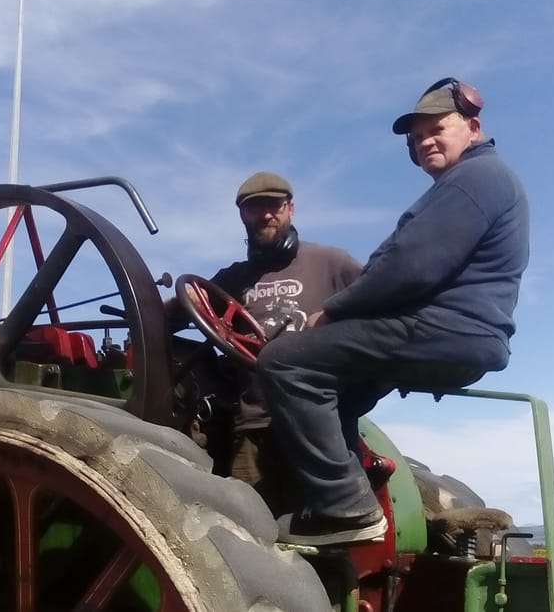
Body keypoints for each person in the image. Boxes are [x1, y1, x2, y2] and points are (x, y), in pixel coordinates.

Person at [256, 77, 530, 546]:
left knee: (284, 361)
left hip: (447, 327)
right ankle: (344, 495)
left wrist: (336, 310)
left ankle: (343, 506)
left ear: (473, 127)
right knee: (338, 388)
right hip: (457, 331)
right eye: (416, 137)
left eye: (437, 128)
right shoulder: (472, 182)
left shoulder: (475, 179)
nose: (424, 141)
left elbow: (411, 266)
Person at [170, 171, 361, 516]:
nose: (266, 215)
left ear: (290, 209)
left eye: (274, 206)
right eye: (255, 208)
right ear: (243, 215)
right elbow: (179, 311)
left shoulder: (333, 263)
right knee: (247, 530)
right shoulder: (233, 279)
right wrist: (163, 305)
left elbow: (377, 300)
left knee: (327, 535)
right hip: (253, 426)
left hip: (316, 425)